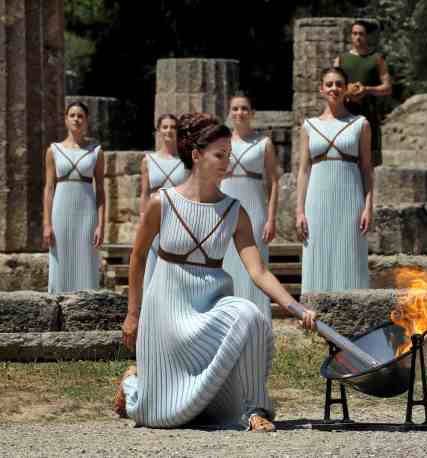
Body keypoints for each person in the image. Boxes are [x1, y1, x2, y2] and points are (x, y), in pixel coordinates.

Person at [115, 113, 316, 432]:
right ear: (196, 155)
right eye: (219, 155)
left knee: (250, 316)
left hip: (210, 308)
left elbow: (259, 271)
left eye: (229, 155)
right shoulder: (161, 203)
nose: (227, 162)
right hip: (166, 311)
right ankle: (132, 385)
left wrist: (295, 307)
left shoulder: (235, 211)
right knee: (161, 418)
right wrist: (132, 314)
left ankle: (253, 408)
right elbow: (138, 257)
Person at [296, 67, 373, 293]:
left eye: (339, 84)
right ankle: (315, 316)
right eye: (329, 84)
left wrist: (368, 206)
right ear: (321, 89)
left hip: (350, 197)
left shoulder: (360, 124)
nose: (334, 88)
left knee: (349, 252)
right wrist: (299, 210)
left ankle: (354, 317)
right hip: (317, 199)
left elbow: (367, 169)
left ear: (346, 89)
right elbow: (303, 170)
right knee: (317, 251)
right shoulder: (309, 126)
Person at [221, 94, 278, 319]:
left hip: (254, 209)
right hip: (225, 206)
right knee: (226, 261)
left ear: (252, 113)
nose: (239, 113)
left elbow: (274, 180)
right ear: (229, 112)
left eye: (244, 108)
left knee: (255, 264)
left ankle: (256, 319)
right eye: (235, 109)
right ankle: (226, 316)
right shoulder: (222, 142)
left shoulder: (264, 143)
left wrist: (271, 218)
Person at [43, 101, 105, 293]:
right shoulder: (53, 150)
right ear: (66, 119)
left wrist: (101, 225)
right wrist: (47, 223)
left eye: (80, 116)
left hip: (86, 213)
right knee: (60, 259)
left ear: (86, 120)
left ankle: (86, 312)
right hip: (60, 212)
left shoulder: (96, 151)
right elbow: (49, 188)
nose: (76, 119)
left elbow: (101, 189)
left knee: (86, 260)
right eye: (72, 115)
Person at [139, 114, 189, 291]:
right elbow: (145, 193)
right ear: (159, 131)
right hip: (155, 215)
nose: (169, 131)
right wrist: (142, 218)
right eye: (165, 127)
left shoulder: (186, 161)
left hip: (178, 215)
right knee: (152, 258)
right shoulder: (149, 160)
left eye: (173, 127)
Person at [334, 20, 391, 168]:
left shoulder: (377, 59)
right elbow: (332, 85)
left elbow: (387, 87)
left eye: (361, 34)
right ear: (351, 36)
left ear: (367, 37)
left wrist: (367, 89)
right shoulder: (341, 60)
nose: (357, 37)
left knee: (368, 165)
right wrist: (346, 92)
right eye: (354, 34)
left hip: (369, 116)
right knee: (344, 161)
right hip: (344, 116)